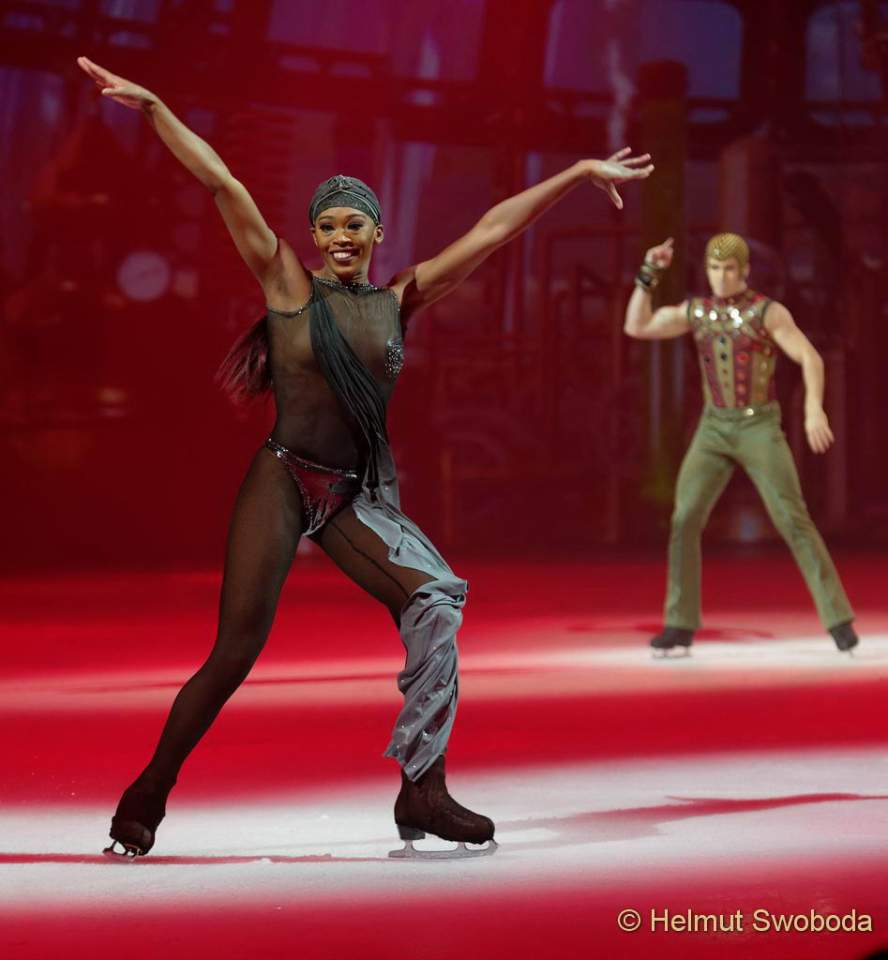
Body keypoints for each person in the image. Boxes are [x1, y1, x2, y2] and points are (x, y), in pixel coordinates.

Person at [76, 55, 654, 859]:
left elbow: (494, 230)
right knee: (236, 649)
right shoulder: (287, 284)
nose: (342, 236)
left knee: (435, 602)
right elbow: (221, 185)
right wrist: (154, 109)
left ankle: (422, 787)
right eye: (329, 226)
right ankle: (148, 792)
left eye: (356, 224)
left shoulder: (400, 299)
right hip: (283, 477)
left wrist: (577, 173)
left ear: (378, 234)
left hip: (354, 495)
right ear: (314, 237)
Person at [624, 232, 858, 656]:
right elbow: (636, 326)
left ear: (745, 270)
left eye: (729, 269)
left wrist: (813, 410)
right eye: (714, 268)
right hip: (713, 427)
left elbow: (810, 357)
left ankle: (838, 619)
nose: (721, 277)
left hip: (758, 426)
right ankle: (679, 624)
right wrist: (648, 274)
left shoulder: (767, 312)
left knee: (792, 518)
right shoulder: (698, 311)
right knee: (685, 518)